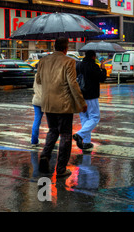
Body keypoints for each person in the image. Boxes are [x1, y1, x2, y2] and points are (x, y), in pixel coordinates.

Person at [36, 37, 87, 178]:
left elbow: (39, 80)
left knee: (52, 131)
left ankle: (45, 156)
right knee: (65, 134)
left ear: (54, 47)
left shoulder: (43, 61)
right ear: (66, 48)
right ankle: (61, 168)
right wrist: (81, 102)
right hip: (64, 104)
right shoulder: (69, 61)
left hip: (48, 103)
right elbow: (73, 84)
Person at [73, 50, 106, 151]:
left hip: (80, 96)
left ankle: (86, 142)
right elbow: (102, 78)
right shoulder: (93, 66)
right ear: (93, 56)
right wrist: (103, 69)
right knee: (95, 117)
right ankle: (79, 135)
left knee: (84, 118)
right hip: (91, 96)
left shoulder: (79, 65)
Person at [30, 78, 43, 148]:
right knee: (52, 123)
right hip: (46, 101)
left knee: (37, 120)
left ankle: (34, 141)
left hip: (36, 100)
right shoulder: (47, 74)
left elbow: (34, 87)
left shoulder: (36, 75)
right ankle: (52, 140)